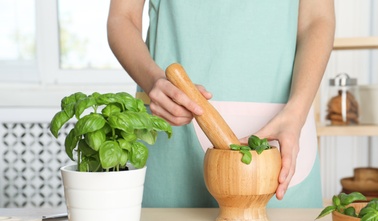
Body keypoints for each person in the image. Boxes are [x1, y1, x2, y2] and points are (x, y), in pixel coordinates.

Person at [107, 0, 335, 208]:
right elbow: (122, 18)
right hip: (174, 133)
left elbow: (317, 19)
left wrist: (296, 112)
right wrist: (153, 80)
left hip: (283, 135)